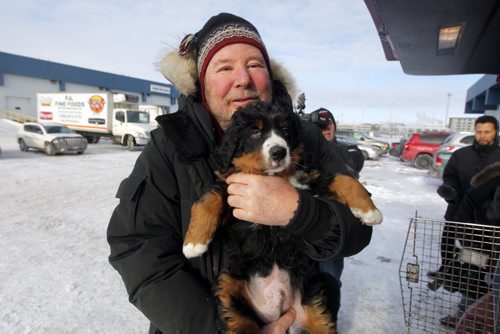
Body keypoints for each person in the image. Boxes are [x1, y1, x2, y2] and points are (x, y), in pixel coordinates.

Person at [106, 13, 373, 333]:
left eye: (255, 64)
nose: (243, 79)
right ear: (201, 84)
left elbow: (358, 229)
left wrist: (301, 212)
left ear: (270, 76)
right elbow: (137, 249)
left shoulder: (303, 135)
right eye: (225, 67)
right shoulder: (170, 145)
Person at [432, 115, 500, 328]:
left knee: (485, 273)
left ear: (496, 132)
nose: (482, 136)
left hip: (489, 227)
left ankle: (481, 316)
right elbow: (450, 176)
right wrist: (449, 189)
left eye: (487, 131)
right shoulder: (461, 155)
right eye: (479, 131)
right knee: (466, 267)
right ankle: (467, 315)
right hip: (459, 219)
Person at [308, 107, 365, 321]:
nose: (324, 131)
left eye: (327, 126)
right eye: (318, 128)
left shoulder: (347, 149)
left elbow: (351, 166)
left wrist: (323, 144)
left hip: (332, 231)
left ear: (334, 126)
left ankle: (329, 323)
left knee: (330, 281)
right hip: (305, 227)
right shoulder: (306, 150)